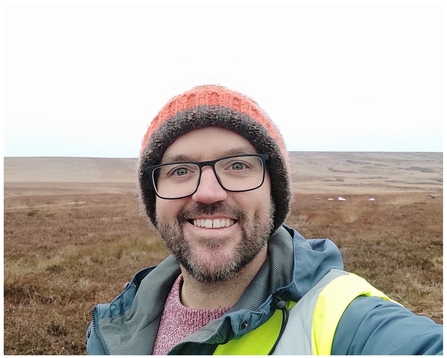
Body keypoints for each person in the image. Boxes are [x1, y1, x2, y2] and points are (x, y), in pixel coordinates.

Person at [86, 85, 443, 355]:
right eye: (180, 170)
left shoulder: (344, 320)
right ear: (155, 198)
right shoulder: (114, 327)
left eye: (238, 165)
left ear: (274, 191)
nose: (208, 193)